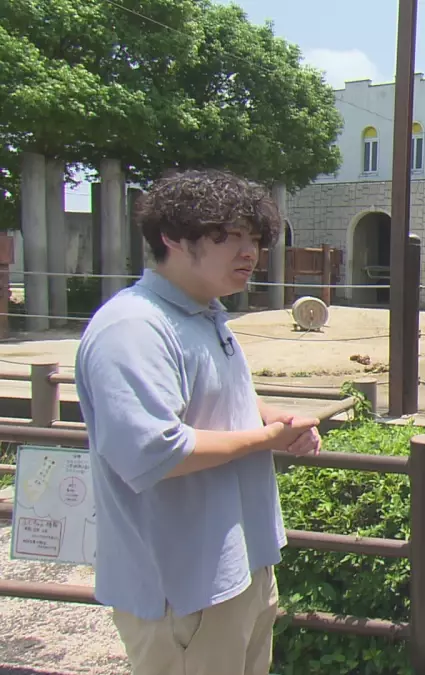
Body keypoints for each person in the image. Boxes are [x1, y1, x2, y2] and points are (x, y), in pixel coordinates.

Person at [75, 168, 322, 675]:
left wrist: (276, 417)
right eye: (226, 236)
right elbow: (156, 451)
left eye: (253, 238)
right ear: (171, 237)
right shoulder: (134, 327)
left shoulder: (204, 315)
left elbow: (223, 404)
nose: (248, 252)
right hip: (184, 586)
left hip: (242, 567)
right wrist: (267, 438)